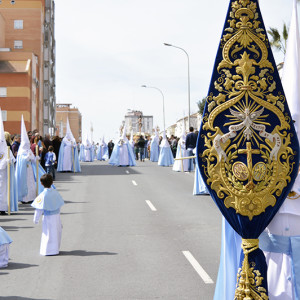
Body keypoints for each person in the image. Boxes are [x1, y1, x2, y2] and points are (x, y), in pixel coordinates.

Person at [31, 174, 64, 256]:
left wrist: (36, 219)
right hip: (56, 216)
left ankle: (48, 250)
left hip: (48, 217)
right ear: (52, 182)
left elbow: (38, 209)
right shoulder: (55, 192)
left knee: (48, 232)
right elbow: (59, 204)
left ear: (41, 183)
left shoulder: (42, 195)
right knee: (56, 232)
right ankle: (55, 249)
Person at [15, 116, 46, 204]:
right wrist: (27, 158)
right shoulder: (21, 151)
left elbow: (32, 158)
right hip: (24, 170)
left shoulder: (28, 150)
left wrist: (35, 158)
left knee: (31, 183)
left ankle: (31, 197)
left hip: (29, 170)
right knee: (25, 184)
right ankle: (25, 198)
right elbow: (21, 160)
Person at [0, 108, 18, 214]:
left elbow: (12, 160)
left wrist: (7, 161)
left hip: (4, 177)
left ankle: (2, 208)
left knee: (3, 191)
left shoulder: (6, 149)